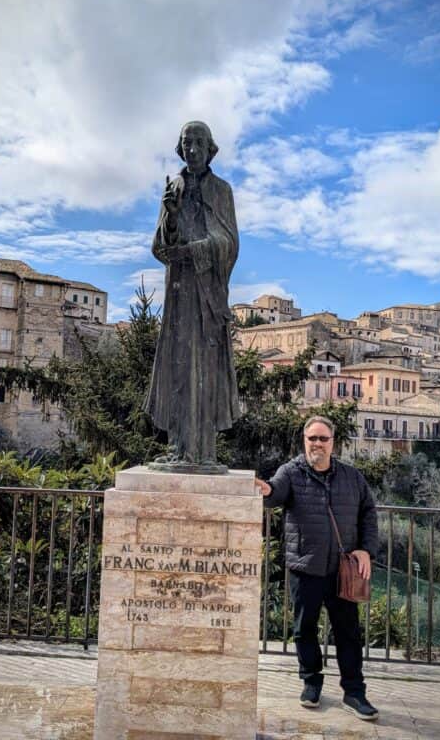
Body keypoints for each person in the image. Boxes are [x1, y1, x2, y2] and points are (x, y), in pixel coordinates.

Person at [255, 415, 380, 721]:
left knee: (348, 633)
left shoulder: (352, 478)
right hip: (304, 567)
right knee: (303, 629)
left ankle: (354, 693)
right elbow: (275, 493)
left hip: (342, 571)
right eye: (312, 438)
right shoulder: (291, 473)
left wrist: (366, 549)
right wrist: (265, 490)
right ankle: (311, 683)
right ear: (304, 441)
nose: (317, 444)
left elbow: (369, 514)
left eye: (323, 439)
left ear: (332, 443)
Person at [144, 121, 240, 469]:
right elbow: (159, 247)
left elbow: (230, 243)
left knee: (205, 370)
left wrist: (196, 249)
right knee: (180, 367)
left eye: (199, 142)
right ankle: (179, 448)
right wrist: (170, 215)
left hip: (208, 295)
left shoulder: (222, 191)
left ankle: (203, 453)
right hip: (180, 293)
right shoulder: (174, 189)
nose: (193, 148)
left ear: (210, 148)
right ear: (180, 148)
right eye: (187, 142)